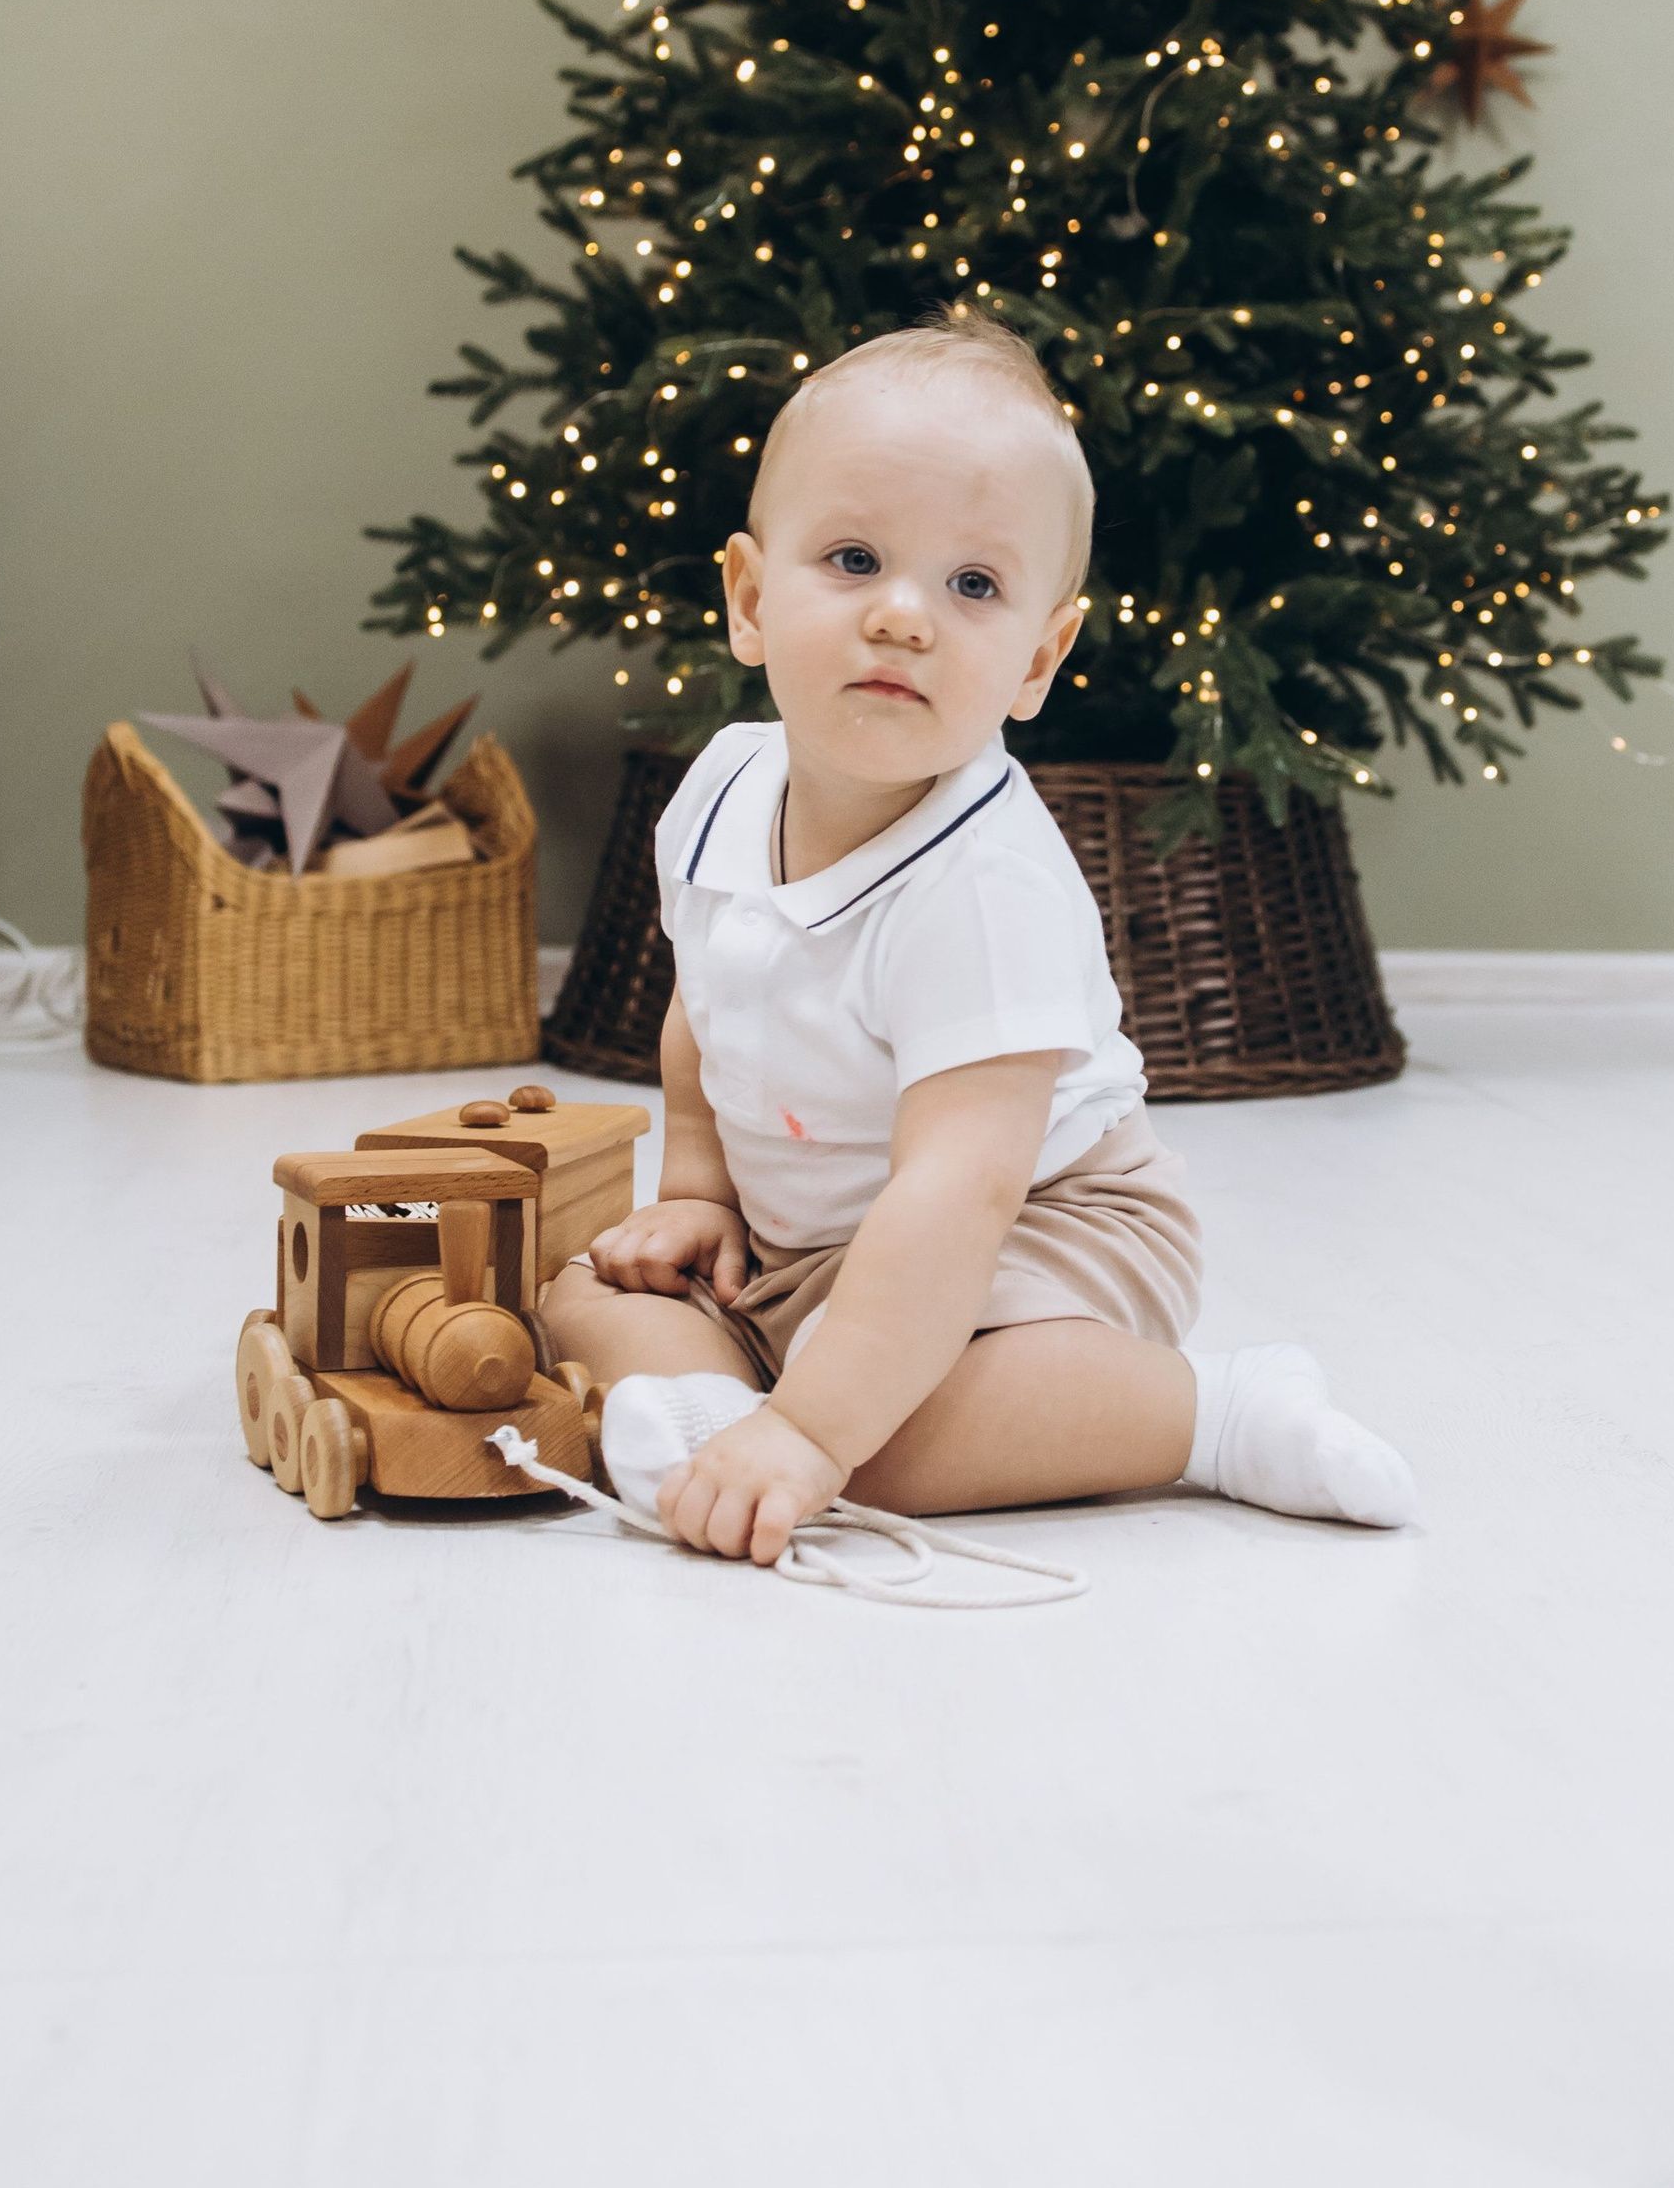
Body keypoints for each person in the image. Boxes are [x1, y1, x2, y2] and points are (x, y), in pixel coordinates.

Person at [541, 309, 1417, 1565]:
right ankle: (706, 1412)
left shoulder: (983, 883)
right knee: (585, 1290)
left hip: (1040, 1223)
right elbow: (711, 1005)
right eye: (851, 559)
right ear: (746, 596)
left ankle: (1217, 1415)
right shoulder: (723, 790)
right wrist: (696, 1190)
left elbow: (962, 1189)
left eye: (973, 585)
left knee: (881, 1442)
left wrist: (820, 1431)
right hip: (813, 1242)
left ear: (1037, 658)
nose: (904, 617)